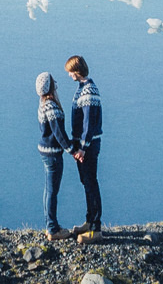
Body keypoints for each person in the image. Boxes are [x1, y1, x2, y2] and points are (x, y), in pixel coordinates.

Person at [65, 54, 103, 233]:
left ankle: (95, 226)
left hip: (87, 146)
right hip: (83, 146)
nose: (69, 75)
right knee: (86, 182)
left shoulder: (88, 91)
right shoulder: (83, 88)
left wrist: (83, 148)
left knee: (90, 182)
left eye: (70, 71)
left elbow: (88, 123)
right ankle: (89, 221)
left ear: (76, 70)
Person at [36, 71, 74, 238]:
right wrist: (72, 150)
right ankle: (53, 229)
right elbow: (59, 133)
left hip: (45, 151)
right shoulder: (51, 106)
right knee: (52, 191)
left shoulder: (43, 103)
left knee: (48, 190)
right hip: (52, 154)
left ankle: (50, 225)